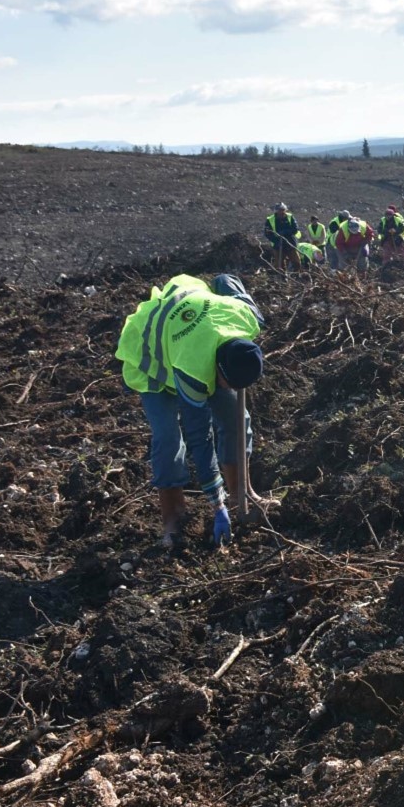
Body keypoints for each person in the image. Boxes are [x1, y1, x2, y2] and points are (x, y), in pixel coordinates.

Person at [114, 274, 266, 548]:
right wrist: (215, 505)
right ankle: (173, 517)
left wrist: (225, 281)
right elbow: (200, 437)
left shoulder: (246, 317)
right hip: (151, 359)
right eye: (226, 383)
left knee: (236, 417)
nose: (226, 387)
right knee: (169, 437)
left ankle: (241, 494)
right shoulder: (194, 369)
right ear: (218, 370)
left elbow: (228, 282)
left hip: (194, 329)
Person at [264, 203, 301, 271]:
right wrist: (276, 240)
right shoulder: (270, 219)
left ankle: (296, 275)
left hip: (290, 243)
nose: (282, 212)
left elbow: (295, 229)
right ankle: (282, 277)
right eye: (280, 210)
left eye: (283, 210)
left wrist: (285, 232)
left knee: (296, 262)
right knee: (279, 264)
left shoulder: (290, 217)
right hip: (278, 244)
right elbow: (267, 233)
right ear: (276, 211)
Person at [378, 205, 404, 269]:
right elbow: (379, 230)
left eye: (389, 215)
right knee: (386, 252)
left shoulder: (398, 219)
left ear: (392, 215)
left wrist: (395, 231)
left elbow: (402, 228)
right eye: (387, 215)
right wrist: (388, 231)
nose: (388, 217)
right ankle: (385, 265)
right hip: (387, 238)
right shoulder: (383, 220)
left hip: (398, 238)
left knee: (401, 251)